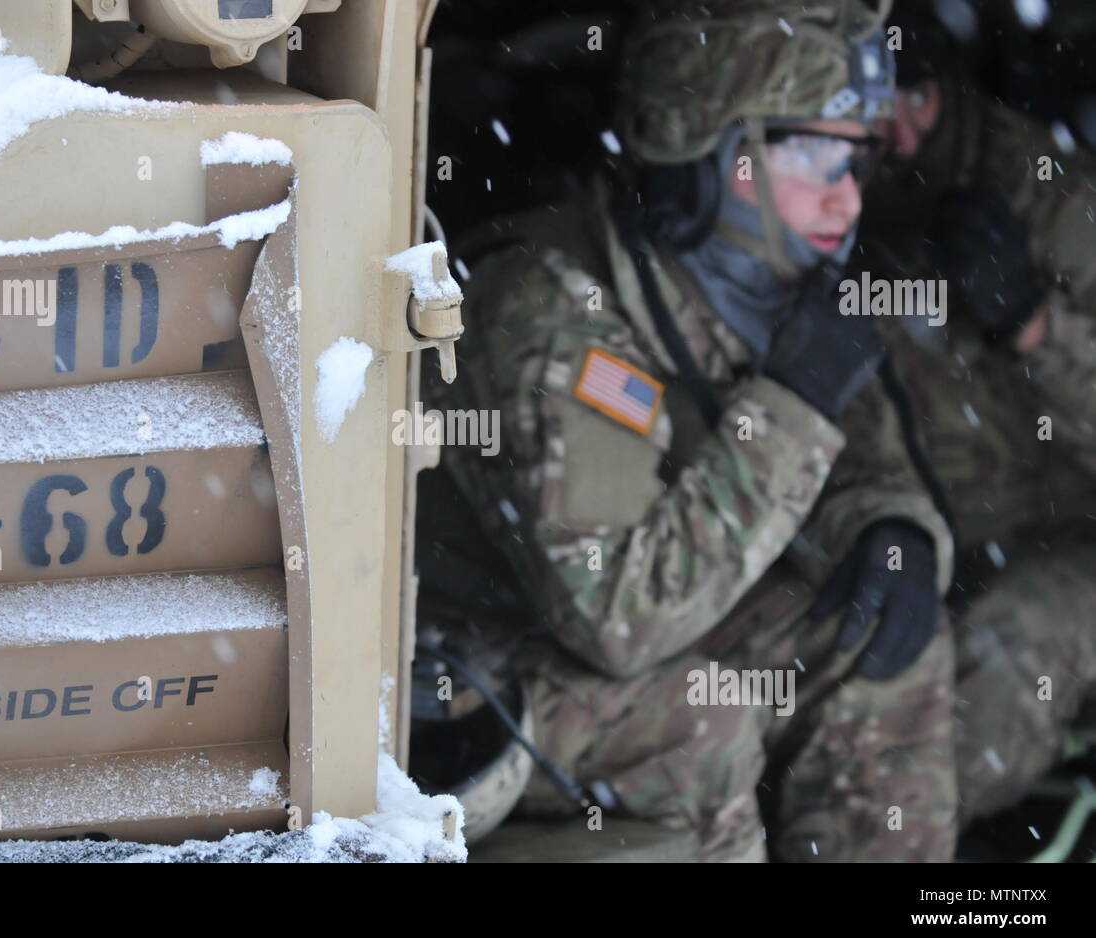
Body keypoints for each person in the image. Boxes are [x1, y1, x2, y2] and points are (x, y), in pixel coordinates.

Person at [425, 0, 958, 862]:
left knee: (881, 632)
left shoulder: (765, 280)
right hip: (472, 670)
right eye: (816, 153)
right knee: (701, 711)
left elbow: (856, 455)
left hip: (623, 640)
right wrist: (791, 404)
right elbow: (615, 615)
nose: (847, 193)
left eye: (855, 158)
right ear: (714, 155)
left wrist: (891, 528)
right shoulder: (549, 308)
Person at [856, 1, 1096, 829]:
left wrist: (1036, 326)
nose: (902, 135)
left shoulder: (1047, 197)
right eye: (874, 108)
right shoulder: (814, 185)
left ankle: (904, 840)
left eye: (917, 100)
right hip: (918, 518)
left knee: (1012, 643)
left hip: (1074, 529)